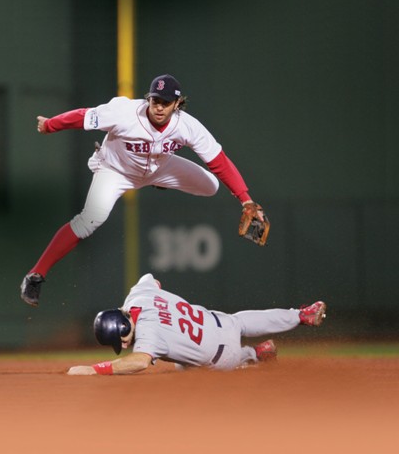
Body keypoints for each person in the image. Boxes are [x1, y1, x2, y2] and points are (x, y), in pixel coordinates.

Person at [20, 74, 265, 306]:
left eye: (166, 102)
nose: (159, 107)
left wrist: (246, 200)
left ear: (177, 103)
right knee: (90, 220)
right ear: (148, 98)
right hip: (115, 171)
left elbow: (218, 160)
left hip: (160, 169)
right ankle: (35, 275)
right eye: (155, 100)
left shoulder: (187, 126)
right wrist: (50, 125)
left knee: (211, 185)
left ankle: (159, 182)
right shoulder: (123, 112)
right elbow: (83, 117)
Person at [67, 273, 327, 375]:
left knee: (186, 370)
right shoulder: (139, 295)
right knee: (239, 321)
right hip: (219, 321)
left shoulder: (148, 335)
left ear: (123, 328)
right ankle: (299, 315)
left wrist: (94, 370)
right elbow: (152, 280)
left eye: (119, 340)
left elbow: (139, 362)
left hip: (221, 357)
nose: (123, 344)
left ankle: (253, 355)